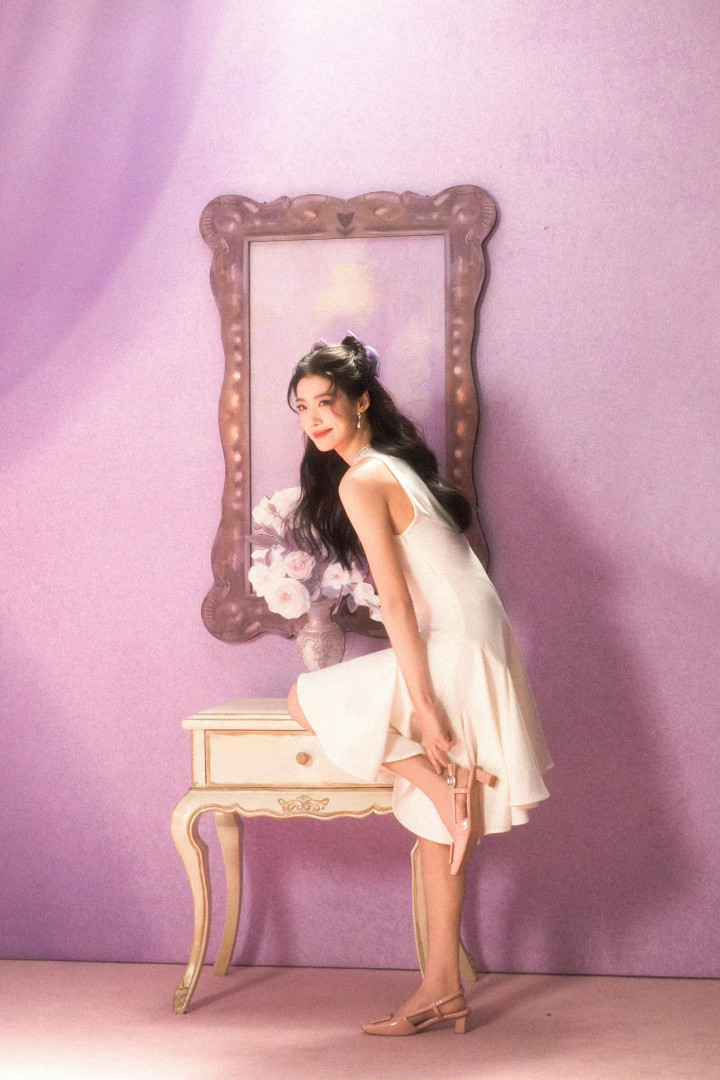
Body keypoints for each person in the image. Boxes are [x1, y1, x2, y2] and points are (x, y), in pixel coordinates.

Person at [285, 334, 553, 1037]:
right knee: (439, 837)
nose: (314, 419)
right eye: (302, 407)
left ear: (360, 402)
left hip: (458, 644)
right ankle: (443, 990)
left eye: (326, 403)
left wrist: (426, 710)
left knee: (304, 699)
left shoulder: (362, 479)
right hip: (481, 637)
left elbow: (398, 604)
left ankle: (440, 787)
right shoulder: (394, 465)